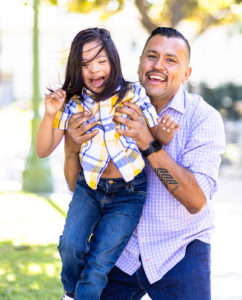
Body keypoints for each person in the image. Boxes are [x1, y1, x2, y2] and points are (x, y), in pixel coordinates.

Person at [64, 27, 226, 300]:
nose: (158, 65)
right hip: (118, 250)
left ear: (186, 73)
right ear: (139, 63)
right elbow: (79, 188)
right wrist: (70, 149)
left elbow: (196, 201)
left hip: (179, 250)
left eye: (171, 60)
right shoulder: (107, 103)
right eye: (151, 56)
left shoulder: (203, 118)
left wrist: (147, 142)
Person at [35, 27, 179, 300]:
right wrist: (49, 114)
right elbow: (43, 149)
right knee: (70, 245)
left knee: (99, 263)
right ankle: (71, 292)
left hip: (128, 193)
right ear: (77, 69)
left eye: (101, 61)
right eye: (85, 64)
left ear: (113, 61)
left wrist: (166, 132)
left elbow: (157, 135)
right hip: (89, 189)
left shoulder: (133, 94)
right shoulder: (73, 103)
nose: (94, 70)